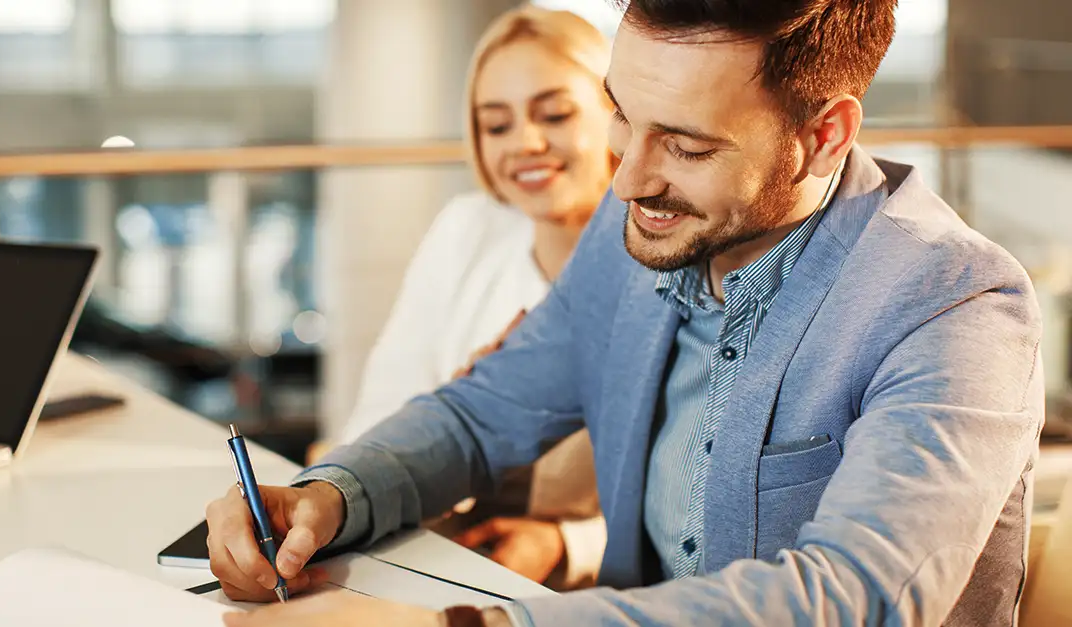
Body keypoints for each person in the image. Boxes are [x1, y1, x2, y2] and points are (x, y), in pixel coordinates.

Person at [208, 0, 1046, 626]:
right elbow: (480, 414)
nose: (623, 180)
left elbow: (854, 595)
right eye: (621, 114)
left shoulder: (955, 303)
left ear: (823, 136)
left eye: (686, 144)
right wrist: (333, 494)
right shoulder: (640, 227)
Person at [321, 5, 616, 587]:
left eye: (554, 114)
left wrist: (566, 545)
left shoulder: (664, 258)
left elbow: (691, 501)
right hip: (436, 553)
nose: (526, 143)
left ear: (618, 113)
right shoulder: (468, 230)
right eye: (496, 124)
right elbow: (381, 413)